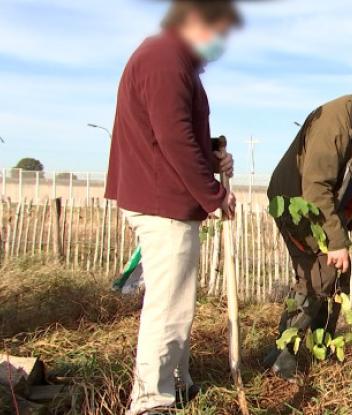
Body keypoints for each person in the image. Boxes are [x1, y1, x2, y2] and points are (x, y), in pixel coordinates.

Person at [104, 2, 241, 414]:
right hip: (162, 203)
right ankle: (151, 401)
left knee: (176, 299)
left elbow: (172, 133)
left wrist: (212, 154)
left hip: (163, 198)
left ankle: (177, 383)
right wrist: (215, 195)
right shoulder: (164, 59)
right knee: (168, 307)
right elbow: (174, 139)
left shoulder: (171, 59)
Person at [265, 80, 352, 379]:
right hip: (297, 203)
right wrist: (337, 241)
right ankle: (282, 357)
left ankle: (321, 348)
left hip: (323, 207)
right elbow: (316, 187)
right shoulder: (333, 125)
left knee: (338, 278)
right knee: (320, 277)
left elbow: (351, 174)